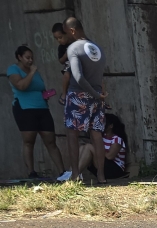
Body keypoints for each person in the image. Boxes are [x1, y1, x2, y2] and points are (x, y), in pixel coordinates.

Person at [57, 17, 105, 184]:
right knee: (96, 135)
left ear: (72, 31)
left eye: (65, 32)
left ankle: (75, 175)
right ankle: (101, 176)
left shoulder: (73, 48)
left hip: (79, 96)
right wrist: (100, 94)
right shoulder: (96, 48)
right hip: (98, 97)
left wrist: (93, 93)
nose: (65, 37)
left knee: (72, 134)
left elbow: (77, 76)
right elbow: (100, 77)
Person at [7, 45, 64, 178]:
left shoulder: (36, 72)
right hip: (25, 109)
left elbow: (39, 87)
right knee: (29, 141)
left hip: (42, 108)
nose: (30, 60)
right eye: (27, 58)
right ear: (19, 57)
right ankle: (31, 172)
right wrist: (31, 72)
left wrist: (45, 94)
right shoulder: (13, 69)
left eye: (32, 58)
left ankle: (63, 172)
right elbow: (21, 85)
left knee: (50, 140)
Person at [80, 112, 127, 181]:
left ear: (111, 125)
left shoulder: (117, 139)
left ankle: (75, 173)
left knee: (89, 147)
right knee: (82, 147)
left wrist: (98, 149)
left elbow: (109, 156)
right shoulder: (102, 137)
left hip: (115, 169)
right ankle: (71, 172)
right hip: (103, 165)